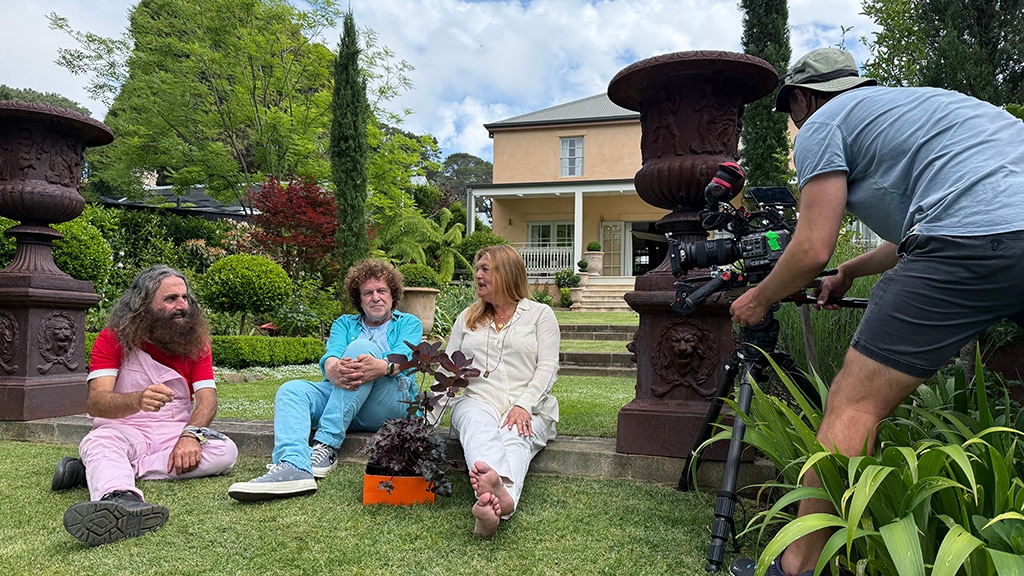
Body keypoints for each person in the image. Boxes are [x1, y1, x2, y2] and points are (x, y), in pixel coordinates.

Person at [728, 48, 1024, 576]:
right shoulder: (929, 107)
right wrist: (850, 272)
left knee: (854, 406)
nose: (796, 124)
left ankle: (796, 568)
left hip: (967, 242)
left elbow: (812, 248)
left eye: (791, 111)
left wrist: (759, 297)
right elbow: (934, 223)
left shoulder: (823, 124)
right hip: (998, 233)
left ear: (802, 99)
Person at [54, 265, 239, 547]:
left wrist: (190, 435)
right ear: (143, 304)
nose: (183, 306)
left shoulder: (197, 344)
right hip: (123, 430)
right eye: (171, 299)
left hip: (174, 434)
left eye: (185, 297)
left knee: (225, 451)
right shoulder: (112, 338)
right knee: (102, 442)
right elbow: (96, 402)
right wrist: (137, 400)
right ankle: (120, 498)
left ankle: (96, 470)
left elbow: (207, 400)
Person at [227, 258, 422, 501]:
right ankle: (293, 466)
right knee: (291, 390)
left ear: (393, 295)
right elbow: (331, 356)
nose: (375, 297)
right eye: (367, 293)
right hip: (345, 398)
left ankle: (326, 445)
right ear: (359, 300)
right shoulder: (343, 323)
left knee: (360, 347)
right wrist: (331, 368)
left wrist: (382, 366)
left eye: (381, 291)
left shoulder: (409, 323)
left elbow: (405, 360)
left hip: (387, 401)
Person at [446, 245, 560, 537]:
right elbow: (448, 368)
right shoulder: (467, 317)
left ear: (507, 272)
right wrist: (428, 413)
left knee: (515, 434)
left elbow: (548, 366)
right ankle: (502, 500)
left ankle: (492, 503)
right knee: (476, 424)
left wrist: (523, 404)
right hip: (478, 399)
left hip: (529, 405)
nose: (478, 275)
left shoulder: (540, 315)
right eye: (477, 269)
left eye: (486, 269)